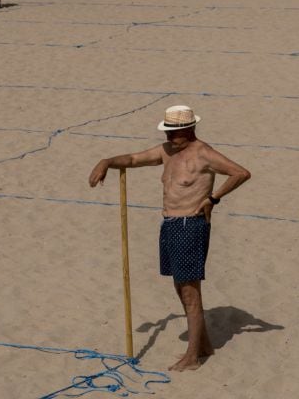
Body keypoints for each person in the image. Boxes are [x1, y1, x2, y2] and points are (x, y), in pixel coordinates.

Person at [88, 105, 251, 372]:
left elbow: (241, 173)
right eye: (167, 132)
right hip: (170, 225)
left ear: (189, 129)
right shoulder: (167, 151)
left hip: (191, 224)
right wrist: (106, 161)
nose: (168, 138)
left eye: (173, 133)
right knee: (180, 288)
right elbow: (132, 160)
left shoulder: (204, 154)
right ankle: (205, 345)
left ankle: (192, 356)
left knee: (190, 292)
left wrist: (213, 198)